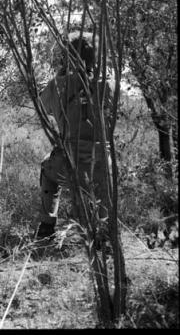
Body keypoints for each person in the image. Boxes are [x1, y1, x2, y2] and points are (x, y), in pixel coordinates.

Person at [36, 32, 113, 244]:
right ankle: (104, 234)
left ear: (68, 55)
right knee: (104, 184)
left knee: (46, 167)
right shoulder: (109, 85)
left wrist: (63, 75)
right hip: (100, 164)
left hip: (70, 164)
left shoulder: (57, 85)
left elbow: (44, 107)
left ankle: (46, 226)